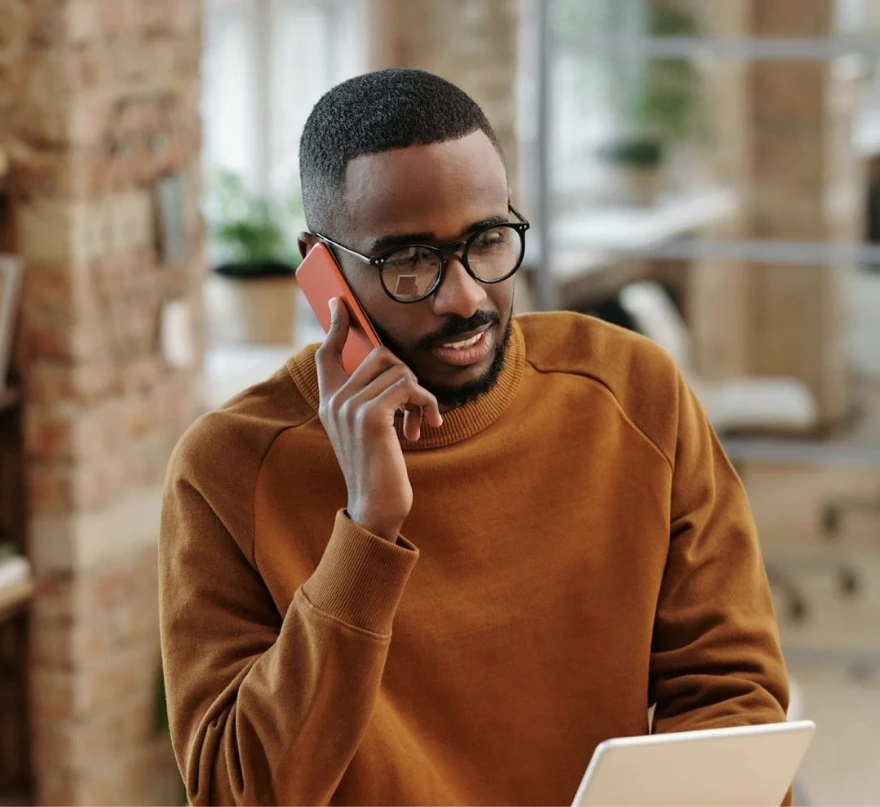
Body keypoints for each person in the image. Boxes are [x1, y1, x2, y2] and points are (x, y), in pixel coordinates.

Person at [159, 68, 790, 806]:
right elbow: (241, 792)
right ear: (320, 268)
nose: (464, 297)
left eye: (488, 241)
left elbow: (733, 697)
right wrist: (367, 529)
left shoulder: (632, 391)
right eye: (409, 260)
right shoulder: (226, 470)